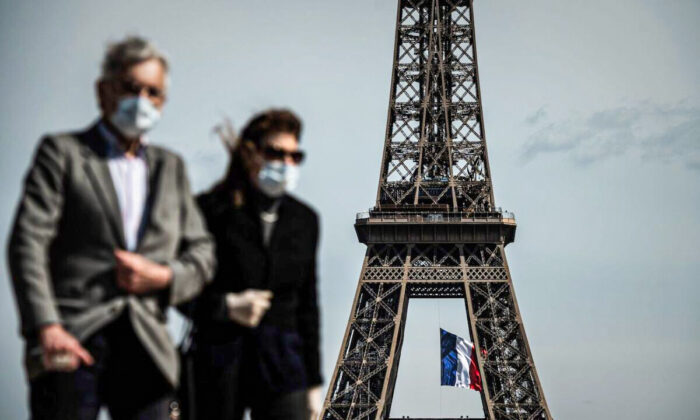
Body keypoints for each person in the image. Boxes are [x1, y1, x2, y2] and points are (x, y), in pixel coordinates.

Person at [7, 36, 215, 420]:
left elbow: (202, 254)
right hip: (73, 337)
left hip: (146, 345)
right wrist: (46, 326)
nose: (142, 99)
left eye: (153, 92)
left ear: (163, 103)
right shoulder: (63, 154)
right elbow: (28, 243)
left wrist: (164, 276)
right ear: (103, 91)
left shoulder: (171, 168)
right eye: (132, 88)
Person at [183, 109, 322, 420]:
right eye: (275, 152)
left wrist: (313, 382)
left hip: (284, 368)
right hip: (219, 361)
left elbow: (308, 306)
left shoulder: (304, 220)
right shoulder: (209, 211)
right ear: (249, 152)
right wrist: (226, 306)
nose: (286, 163)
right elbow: (178, 288)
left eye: (294, 156)